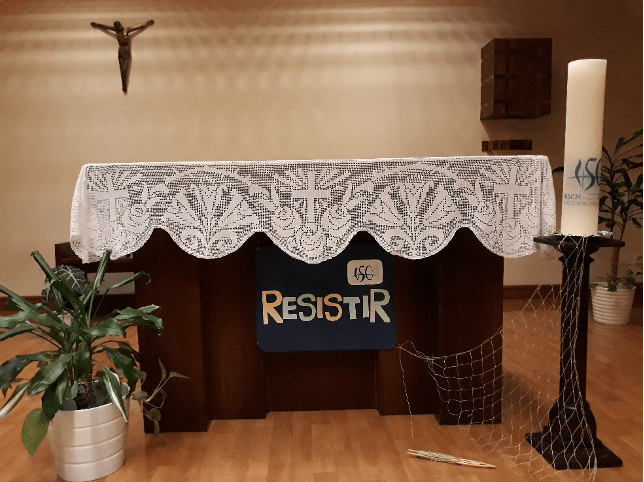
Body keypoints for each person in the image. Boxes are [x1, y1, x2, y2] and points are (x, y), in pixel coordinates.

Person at [91, 20, 155, 93]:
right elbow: (105, 27)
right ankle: (124, 85)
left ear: (121, 25)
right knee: (122, 68)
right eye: (117, 26)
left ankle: (124, 84)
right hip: (121, 49)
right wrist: (97, 25)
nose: (118, 27)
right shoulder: (116, 30)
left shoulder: (126, 29)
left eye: (119, 25)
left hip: (126, 48)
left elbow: (138, 27)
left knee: (125, 67)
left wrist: (147, 24)